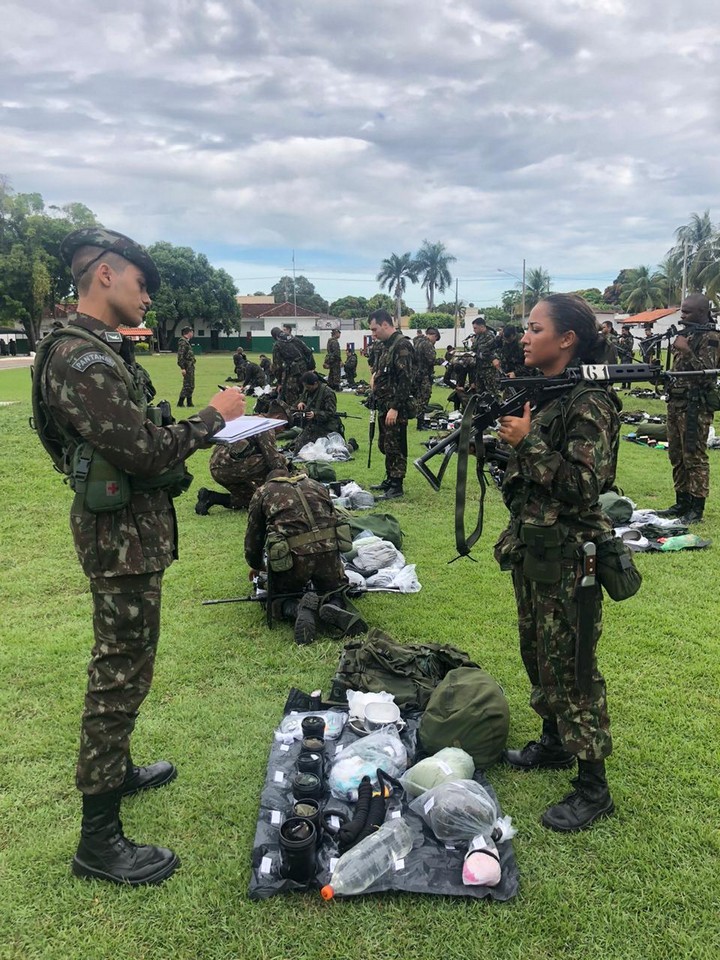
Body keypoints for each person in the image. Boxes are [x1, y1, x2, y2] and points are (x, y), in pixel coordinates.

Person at [32, 227, 246, 885]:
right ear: (104, 275)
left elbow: (142, 436)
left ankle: (116, 770)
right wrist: (214, 415)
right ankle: (98, 841)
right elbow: (146, 451)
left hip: (129, 529)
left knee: (129, 661)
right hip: (118, 537)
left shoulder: (95, 352)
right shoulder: (81, 359)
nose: (147, 296)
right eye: (141, 283)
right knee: (119, 669)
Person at [496, 294, 620, 833]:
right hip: (536, 548)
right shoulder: (549, 394)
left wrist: (526, 446)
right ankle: (554, 743)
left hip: (572, 556)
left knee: (570, 663)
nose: (525, 336)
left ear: (566, 339)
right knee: (536, 650)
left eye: (534, 327)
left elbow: (585, 486)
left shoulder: (589, 402)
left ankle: (594, 786)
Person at [244, 467, 367, 644]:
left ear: (269, 481)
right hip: (329, 555)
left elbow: (253, 540)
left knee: (277, 595)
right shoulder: (316, 485)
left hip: (293, 562)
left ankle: (296, 609)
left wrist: (256, 565)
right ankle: (333, 604)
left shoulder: (263, 493)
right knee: (335, 589)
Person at [658, 294, 720, 524]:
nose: (682, 316)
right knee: (676, 455)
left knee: (694, 456)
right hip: (676, 403)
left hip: (696, 405)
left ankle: (696, 508)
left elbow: (707, 375)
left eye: (687, 312)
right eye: (682, 311)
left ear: (703, 312)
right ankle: (681, 502)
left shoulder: (711, 338)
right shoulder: (688, 334)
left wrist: (686, 351)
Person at [196, 400, 289, 514]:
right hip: (229, 467)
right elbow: (274, 462)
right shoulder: (265, 426)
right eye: (285, 425)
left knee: (253, 500)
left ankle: (211, 497)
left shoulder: (251, 419)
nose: (284, 430)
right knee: (275, 461)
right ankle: (279, 495)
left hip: (217, 467)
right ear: (278, 418)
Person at [368, 309, 415, 499]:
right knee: (386, 444)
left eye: (375, 329)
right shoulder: (386, 345)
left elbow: (406, 380)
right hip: (384, 404)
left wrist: (395, 407)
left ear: (385, 324)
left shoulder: (401, 345)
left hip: (395, 406)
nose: (373, 334)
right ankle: (389, 478)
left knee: (395, 445)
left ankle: (396, 486)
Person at [292, 372, 343, 452]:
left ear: (315, 383)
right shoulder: (309, 390)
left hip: (326, 426)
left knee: (323, 449)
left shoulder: (328, 393)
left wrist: (315, 414)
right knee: (296, 445)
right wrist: (301, 402)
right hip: (313, 426)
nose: (306, 388)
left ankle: (351, 445)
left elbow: (330, 413)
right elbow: (303, 399)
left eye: (308, 386)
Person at [270, 326, 315, 405]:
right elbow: (308, 352)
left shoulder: (277, 345)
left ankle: (294, 413)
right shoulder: (294, 339)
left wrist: (279, 382)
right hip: (304, 370)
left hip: (292, 374)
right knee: (305, 392)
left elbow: (277, 366)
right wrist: (311, 368)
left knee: (291, 396)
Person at [413, 326, 440, 429]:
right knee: (424, 398)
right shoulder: (427, 344)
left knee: (419, 397)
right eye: (436, 340)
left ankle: (421, 421)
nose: (435, 342)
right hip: (424, 375)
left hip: (416, 374)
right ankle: (420, 424)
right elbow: (431, 360)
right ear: (434, 336)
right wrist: (442, 361)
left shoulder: (418, 342)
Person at [470, 317, 499, 396]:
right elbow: (473, 349)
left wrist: (477, 351)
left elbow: (484, 351)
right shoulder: (478, 336)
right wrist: (474, 343)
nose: (474, 330)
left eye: (475, 328)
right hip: (480, 368)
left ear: (482, 327)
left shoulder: (489, 336)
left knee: (492, 392)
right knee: (480, 392)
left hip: (488, 369)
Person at [177, 326, 195, 407]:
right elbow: (180, 356)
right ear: (188, 332)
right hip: (187, 367)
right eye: (192, 332)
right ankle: (180, 402)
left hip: (190, 366)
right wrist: (182, 368)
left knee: (191, 385)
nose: (192, 333)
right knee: (187, 385)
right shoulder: (183, 342)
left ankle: (189, 402)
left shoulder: (186, 342)